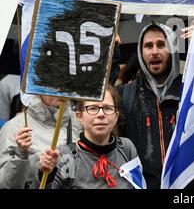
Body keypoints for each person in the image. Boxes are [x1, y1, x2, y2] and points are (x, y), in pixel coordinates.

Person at [31, 85, 142, 189]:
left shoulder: (127, 149)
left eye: (107, 108)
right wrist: (46, 173)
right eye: (93, 108)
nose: (101, 114)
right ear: (79, 116)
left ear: (116, 116)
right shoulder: (65, 156)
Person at [118, 22, 181, 189]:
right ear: (140, 52)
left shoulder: (189, 92)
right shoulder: (124, 95)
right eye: (148, 46)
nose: (154, 52)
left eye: (161, 45)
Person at [0, 95, 80, 188]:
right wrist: (21, 154)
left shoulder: (81, 121)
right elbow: (5, 185)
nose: (57, 91)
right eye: (50, 84)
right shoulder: (15, 127)